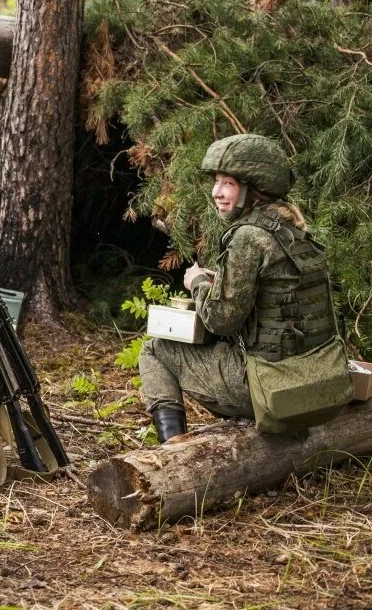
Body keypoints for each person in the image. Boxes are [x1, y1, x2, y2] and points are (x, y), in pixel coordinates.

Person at [139, 134, 338, 442]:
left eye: (228, 184)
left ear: (253, 189)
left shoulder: (248, 236)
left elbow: (220, 321)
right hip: (320, 380)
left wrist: (199, 283)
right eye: (217, 182)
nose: (217, 192)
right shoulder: (290, 228)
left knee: (155, 349)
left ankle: (171, 453)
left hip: (273, 388)